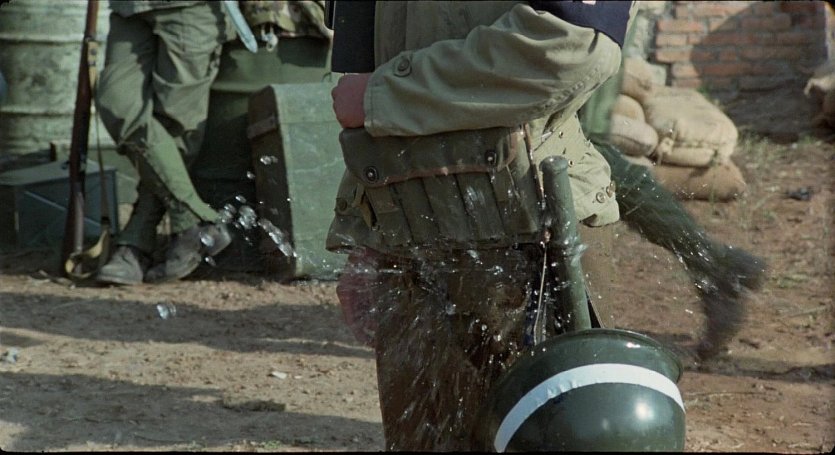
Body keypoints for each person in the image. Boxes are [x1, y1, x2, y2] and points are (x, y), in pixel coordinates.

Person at [326, 1, 634, 450]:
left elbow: (578, 44)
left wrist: (387, 95)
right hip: (408, 234)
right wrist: (369, 234)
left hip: (529, 243)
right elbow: (372, 73)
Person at [577, 24, 767, 361]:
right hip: (573, 26)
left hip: (580, 23)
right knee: (585, 153)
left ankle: (716, 265)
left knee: (585, 152)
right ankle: (716, 264)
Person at [95, 0, 233, 285]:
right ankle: (196, 221)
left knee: (175, 131)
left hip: (191, 8)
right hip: (129, 7)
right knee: (115, 102)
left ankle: (135, 245)